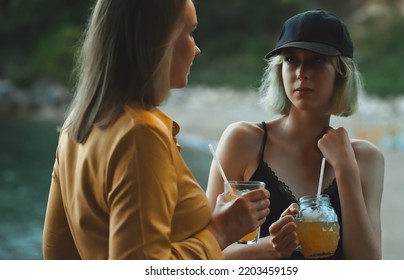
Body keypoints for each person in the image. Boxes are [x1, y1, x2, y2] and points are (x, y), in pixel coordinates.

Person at [42, 0, 270, 260]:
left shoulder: (77, 127)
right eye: (189, 32)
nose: (196, 49)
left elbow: (57, 256)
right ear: (156, 40)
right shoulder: (140, 135)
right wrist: (220, 231)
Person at [206, 9, 384, 259]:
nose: (301, 72)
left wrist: (346, 169)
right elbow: (201, 255)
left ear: (342, 73)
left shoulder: (366, 159)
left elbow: (369, 266)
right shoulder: (243, 141)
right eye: (291, 59)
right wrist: (268, 248)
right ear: (280, 70)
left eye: (317, 60)